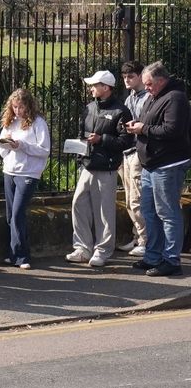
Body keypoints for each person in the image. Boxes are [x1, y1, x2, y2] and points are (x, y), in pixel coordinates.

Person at [123, 62, 188, 277]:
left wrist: (144, 129)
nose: (147, 88)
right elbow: (148, 122)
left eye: (149, 84)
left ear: (161, 80)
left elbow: (173, 130)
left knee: (167, 213)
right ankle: (153, 256)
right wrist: (137, 125)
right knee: (149, 212)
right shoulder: (155, 96)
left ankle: (171, 259)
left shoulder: (176, 98)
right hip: (151, 164)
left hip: (168, 164)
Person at [66, 70, 132, 268]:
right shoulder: (88, 108)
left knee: (104, 211)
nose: (91, 88)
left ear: (106, 87)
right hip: (87, 165)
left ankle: (102, 251)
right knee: (78, 204)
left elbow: (126, 140)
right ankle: (82, 248)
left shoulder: (121, 111)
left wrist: (102, 139)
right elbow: (82, 133)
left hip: (107, 168)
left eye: (95, 85)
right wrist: (79, 151)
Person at [0, 87, 51, 270]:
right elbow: (1, 149)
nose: (17, 111)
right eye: (14, 107)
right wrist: (8, 145)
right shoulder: (10, 122)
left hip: (28, 173)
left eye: (20, 107)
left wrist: (22, 145)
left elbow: (44, 150)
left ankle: (22, 256)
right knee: (11, 214)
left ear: (28, 105)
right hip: (10, 170)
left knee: (18, 212)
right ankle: (15, 253)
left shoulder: (38, 123)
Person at [118, 60, 148, 256]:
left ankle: (146, 240)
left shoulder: (146, 98)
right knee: (129, 198)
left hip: (138, 150)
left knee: (138, 197)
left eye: (131, 76)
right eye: (124, 77)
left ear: (140, 76)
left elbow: (145, 123)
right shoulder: (130, 98)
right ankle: (137, 236)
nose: (127, 80)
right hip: (126, 151)